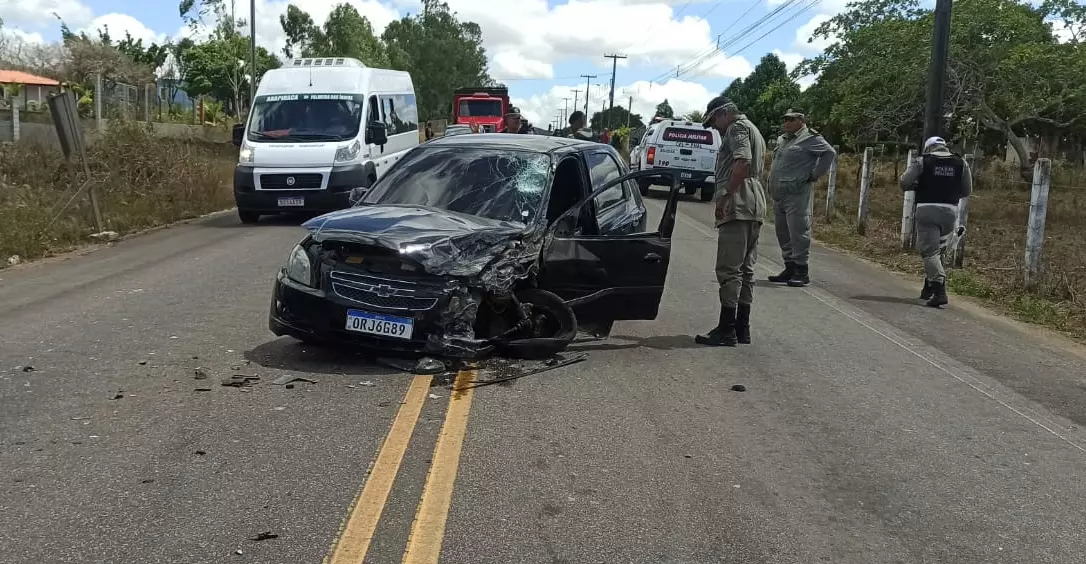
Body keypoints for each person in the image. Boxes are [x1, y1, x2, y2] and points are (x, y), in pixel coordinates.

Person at [696, 96, 767, 347]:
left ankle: (727, 329)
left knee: (729, 269)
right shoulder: (753, 128)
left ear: (725, 114)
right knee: (746, 269)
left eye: (715, 120)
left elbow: (743, 161)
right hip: (755, 200)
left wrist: (726, 194)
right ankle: (741, 327)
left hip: (739, 200)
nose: (715, 126)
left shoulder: (737, 128)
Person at [765, 109, 837, 287]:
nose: (786, 122)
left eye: (791, 119)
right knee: (782, 232)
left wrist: (815, 175)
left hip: (796, 193)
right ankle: (789, 267)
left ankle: (801, 270)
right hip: (779, 193)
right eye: (785, 119)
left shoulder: (809, 137)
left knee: (798, 231)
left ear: (801, 120)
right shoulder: (783, 139)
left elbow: (829, 153)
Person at [899, 136, 972, 308]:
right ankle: (928, 288)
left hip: (927, 210)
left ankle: (939, 291)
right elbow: (967, 190)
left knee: (929, 252)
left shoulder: (923, 161)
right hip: (950, 211)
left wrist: (918, 186)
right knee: (939, 250)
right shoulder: (961, 163)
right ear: (944, 147)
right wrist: (948, 195)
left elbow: (904, 182)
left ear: (929, 148)